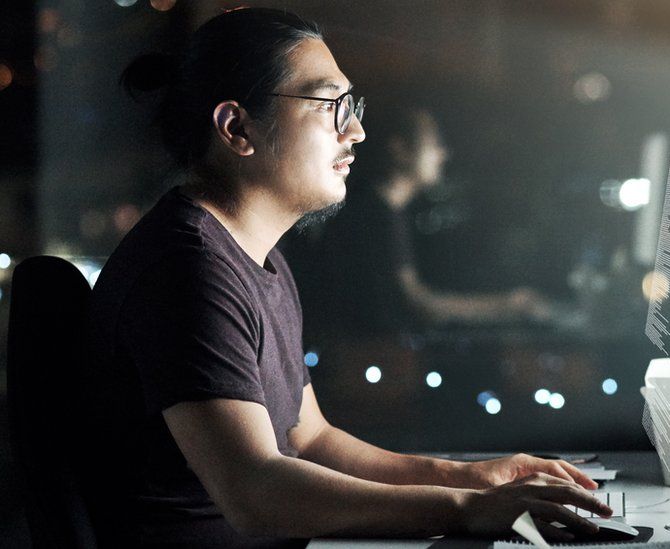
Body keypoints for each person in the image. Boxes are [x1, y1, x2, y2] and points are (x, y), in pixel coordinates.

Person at [80, 8, 611, 548]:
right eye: (331, 105)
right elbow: (256, 492)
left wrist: (465, 478)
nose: (355, 130)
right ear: (237, 128)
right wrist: (468, 509)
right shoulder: (186, 271)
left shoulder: (258, 258)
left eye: (351, 106)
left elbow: (310, 439)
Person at [319, 105, 554, 337]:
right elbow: (418, 304)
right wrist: (509, 306)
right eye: (433, 144)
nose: (442, 154)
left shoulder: (387, 211)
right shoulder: (375, 215)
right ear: (400, 149)